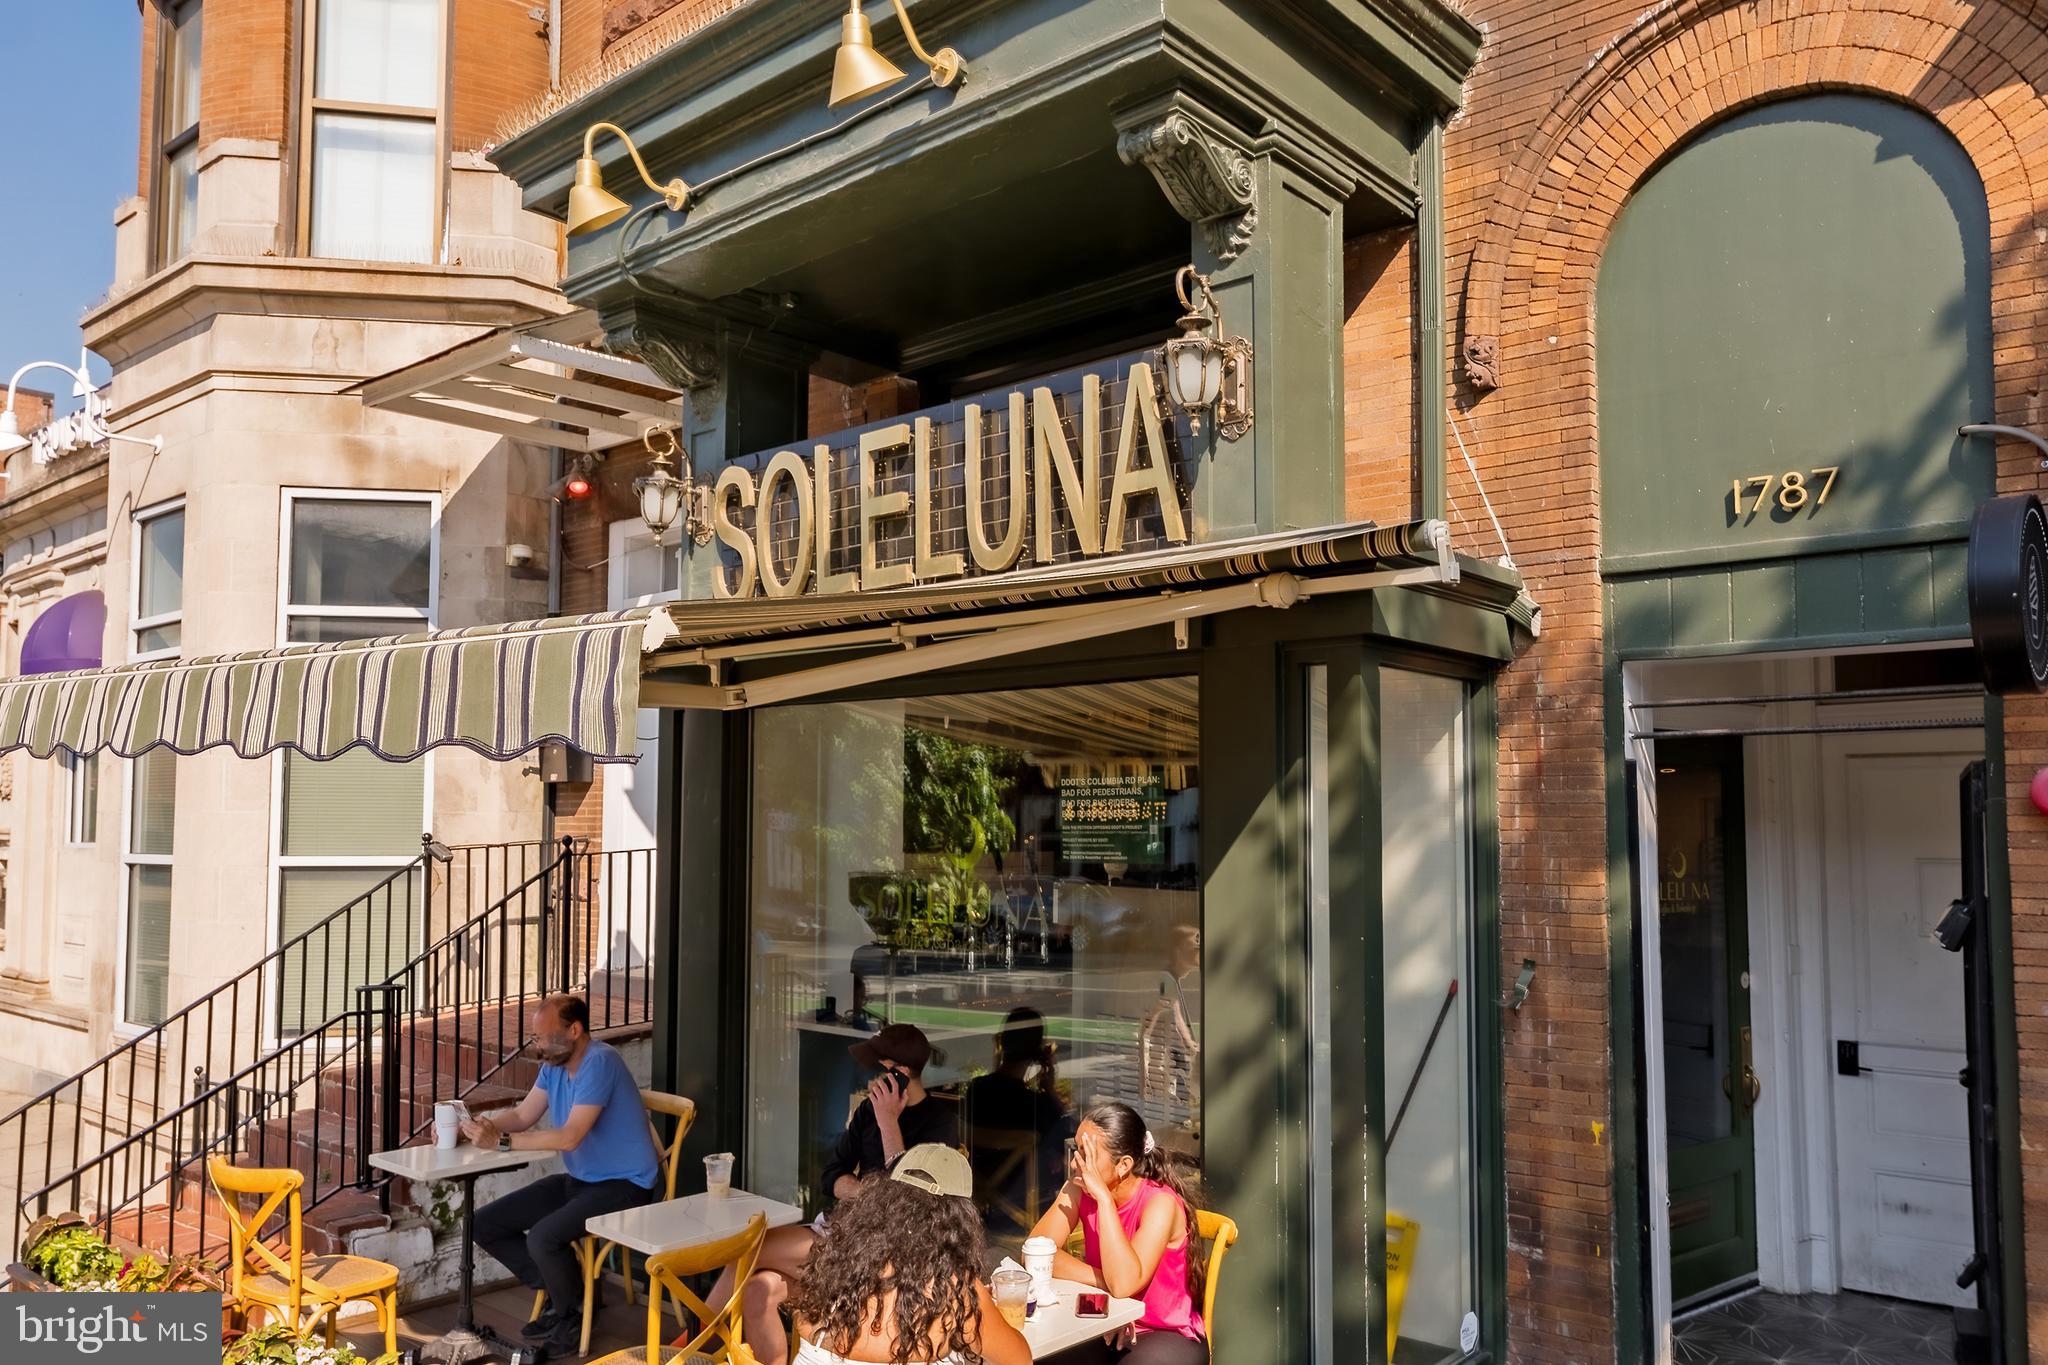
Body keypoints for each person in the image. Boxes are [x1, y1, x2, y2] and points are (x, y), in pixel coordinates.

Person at [710, 1022, 958, 1365]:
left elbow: (908, 1204)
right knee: (758, 1291)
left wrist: (890, 1123)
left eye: (876, 1070)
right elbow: (830, 1177)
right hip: (843, 1237)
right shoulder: (868, 1112)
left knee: (751, 1246)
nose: (868, 1080)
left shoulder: (938, 1124)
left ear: (899, 1074)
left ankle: (692, 1342)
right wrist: (868, 1192)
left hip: (888, 1256)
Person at [466, 993, 661, 1360]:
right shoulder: (555, 1063)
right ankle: (571, 1289)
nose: (538, 1047)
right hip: (581, 1182)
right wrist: (480, 1127)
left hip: (627, 1185)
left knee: (543, 1238)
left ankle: (570, 1315)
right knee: (482, 1224)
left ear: (575, 1030)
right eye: (536, 1038)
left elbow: (570, 1137)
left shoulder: (600, 1063)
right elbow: (524, 1115)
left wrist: (502, 1142)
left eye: (544, 1037)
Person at [788, 1144, 1031, 1365]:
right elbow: (1020, 1359)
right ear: (958, 1223)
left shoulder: (834, 1271)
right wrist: (986, 1310)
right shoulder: (953, 1293)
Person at [1030, 1101, 1208, 1365]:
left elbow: (1124, 1284)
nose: (1076, 1163)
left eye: (1088, 1153)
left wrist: (1103, 1198)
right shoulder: (1079, 1187)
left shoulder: (1160, 1204)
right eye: (1076, 1149)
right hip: (1107, 1317)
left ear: (1123, 1165)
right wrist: (1103, 1282)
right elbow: (1037, 1252)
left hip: (1163, 1330)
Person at [963, 1008, 1068, 1235]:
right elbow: (1066, 1134)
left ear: (1002, 1043)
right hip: (1020, 1198)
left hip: (981, 1190)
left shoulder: (976, 1090)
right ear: (1038, 1051)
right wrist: (1049, 1086)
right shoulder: (1035, 1105)